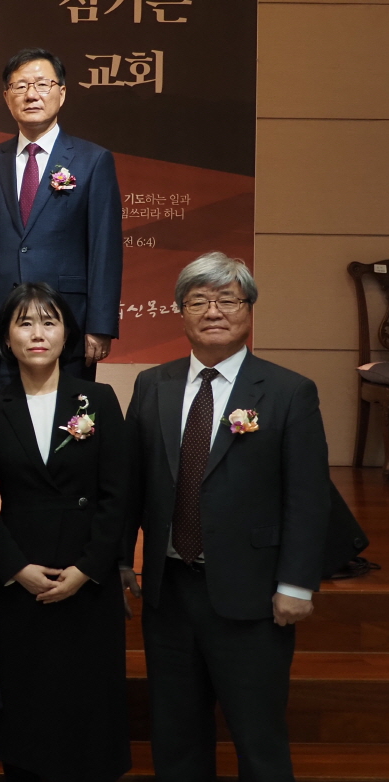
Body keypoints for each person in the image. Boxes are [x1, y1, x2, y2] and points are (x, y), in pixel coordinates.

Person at [121, 253, 331, 782]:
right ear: (181, 312)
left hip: (252, 595)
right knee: (176, 736)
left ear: (249, 309)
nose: (213, 311)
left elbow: (308, 497)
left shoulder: (288, 391)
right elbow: (131, 484)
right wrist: (122, 560)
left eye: (227, 300)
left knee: (258, 738)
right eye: (198, 301)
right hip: (170, 591)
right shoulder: (152, 384)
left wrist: (296, 584)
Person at [0, 282, 129, 782]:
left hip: (86, 577)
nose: (37, 333)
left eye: (49, 322)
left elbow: (117, 493)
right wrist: (14, 567)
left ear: (67, 334)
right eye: (24, 323)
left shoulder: (98, 399)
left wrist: (88, 568)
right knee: (26, 708)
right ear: (6, 338)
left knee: (88, 709)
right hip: (21, 577)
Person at [0, 49, 121, 389]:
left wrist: (100, 325)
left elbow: (105, 248)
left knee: (69, 415)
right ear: (6, 97)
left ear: (61, 93)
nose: (31, 94)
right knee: (3, 414)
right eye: (20, 86)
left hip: (68, 321)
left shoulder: (93, 160)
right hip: (1, 323)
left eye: (41, 84)